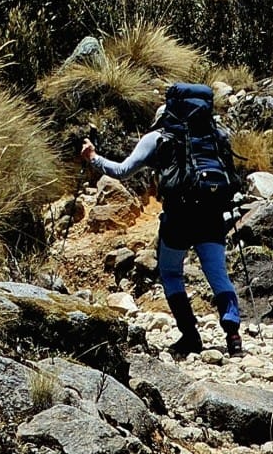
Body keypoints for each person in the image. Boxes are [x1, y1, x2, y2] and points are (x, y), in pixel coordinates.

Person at [79, 82, 243, 358]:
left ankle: (190, 335)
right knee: (218, 275)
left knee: (171, 273)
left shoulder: (157, 138)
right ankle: (233, 335)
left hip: (179, 217)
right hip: (212, 215)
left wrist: (93, 158)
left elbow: (121, 171)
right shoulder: (216, 135)